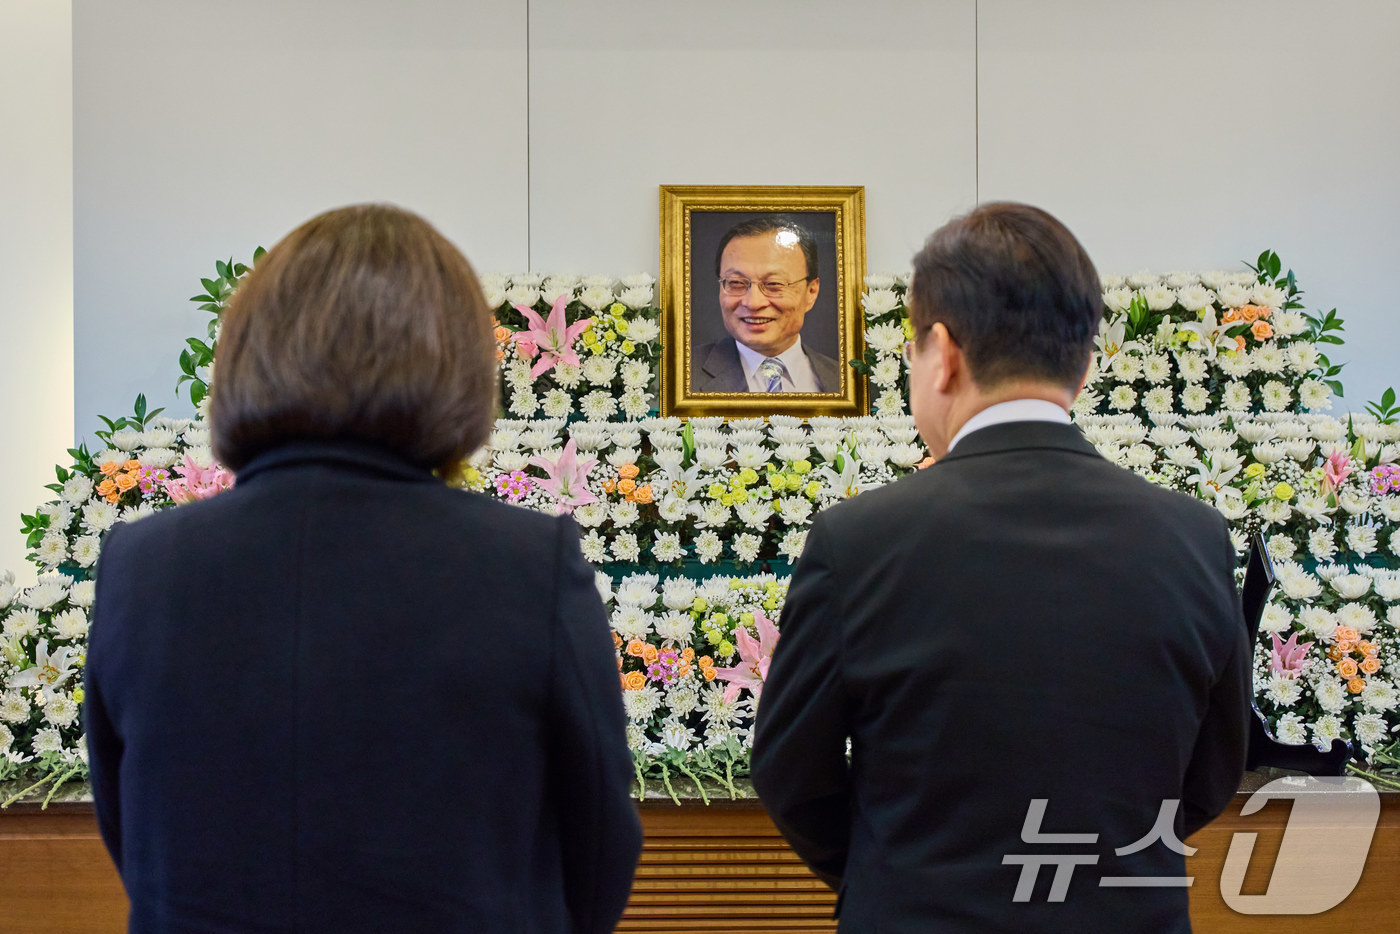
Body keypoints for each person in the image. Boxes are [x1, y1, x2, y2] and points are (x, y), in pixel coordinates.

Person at [84, 204, 642, 933]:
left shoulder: (141, 566)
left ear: (246, 354)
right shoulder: (525, 564)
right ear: (459, 363)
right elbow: (598, 842)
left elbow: (130, 826)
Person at [751, 202, 1250, 932]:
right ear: (1083, 363)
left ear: (942, 353)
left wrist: (899, 871)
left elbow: (793, 776)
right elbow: (1212, 771)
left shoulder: (859, 540)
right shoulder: (1194, 537)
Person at [691, 216, 841, 393]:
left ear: (811, 292)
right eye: (736, 283)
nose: (753, 303)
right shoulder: (682, 374)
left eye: (774, 284)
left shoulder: (845, 380)